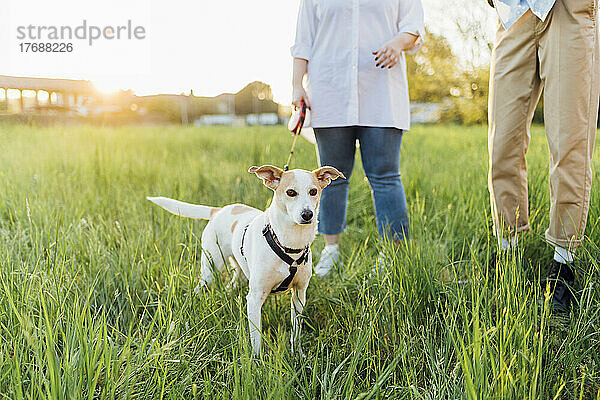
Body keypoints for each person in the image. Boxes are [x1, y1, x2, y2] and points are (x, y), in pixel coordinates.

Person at [291, 0, 425, 276]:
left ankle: (393, 256)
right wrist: (296, 86)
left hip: (381, 92)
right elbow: (303, 41)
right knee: (331, 178)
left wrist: (397, 44)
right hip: (330, 91)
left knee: (385, 175)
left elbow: (413, 27)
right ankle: (331, 250)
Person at [487, 0, 599, 310]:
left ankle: (563, 263)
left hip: (568, 9)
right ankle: (507, 250)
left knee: (569, 141)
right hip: (514, 12)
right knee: (502, 144)